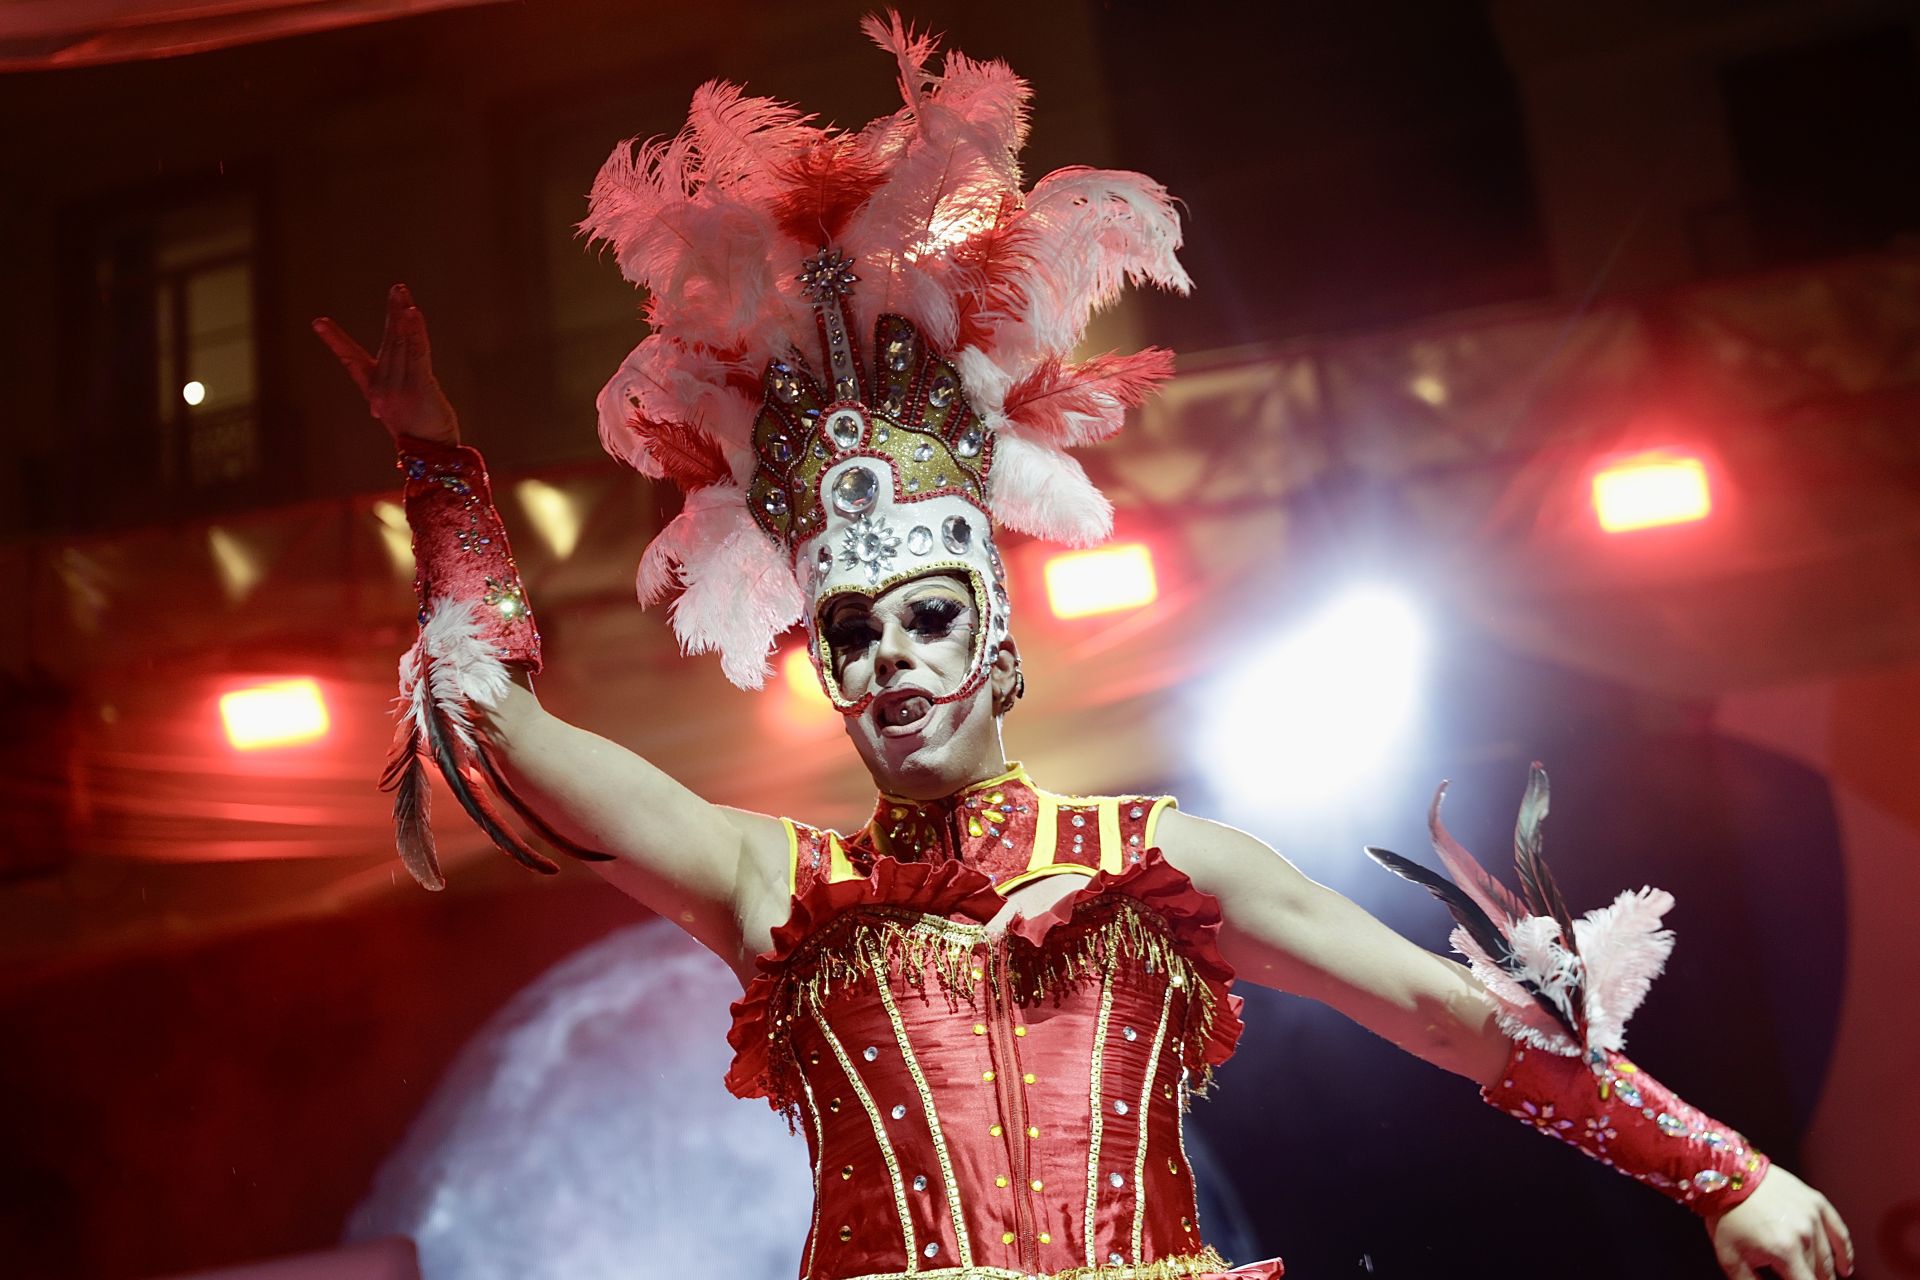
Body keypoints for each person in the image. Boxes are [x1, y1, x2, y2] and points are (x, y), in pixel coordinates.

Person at [314, 17, 1852, 1280]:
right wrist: (440, 467)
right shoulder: (772, 884)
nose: (898, 657)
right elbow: (497, 725)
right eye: (857, 630)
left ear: (999, 641)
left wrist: (1720, 1172)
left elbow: (1447, 1013)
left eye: (930, 617)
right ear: (827, 673)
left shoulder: (1162, 865)